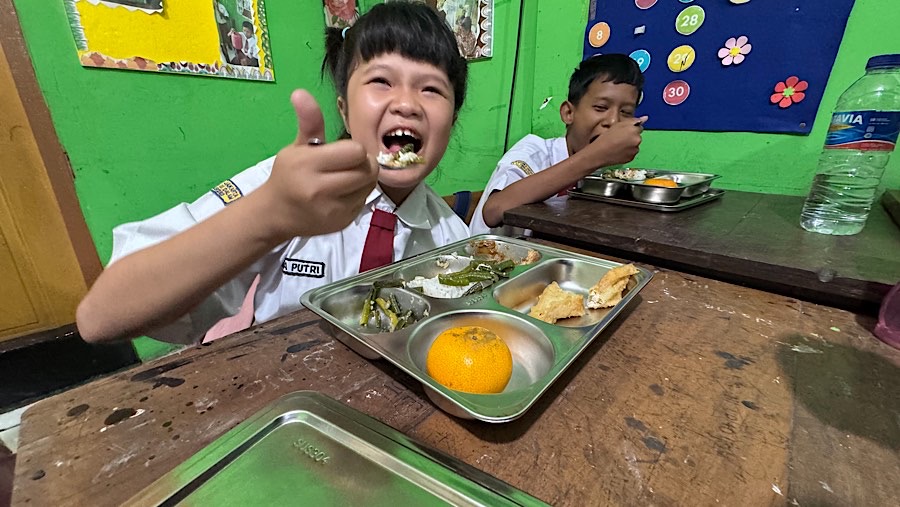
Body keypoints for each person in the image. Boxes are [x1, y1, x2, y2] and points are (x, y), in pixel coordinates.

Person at [76, 1, 470, 345]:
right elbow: (99, 318)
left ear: (450, 122)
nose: (406, 103)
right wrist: (270, 215)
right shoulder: (285, 189)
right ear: (344, 111)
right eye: (382, 81)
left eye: (431, 90)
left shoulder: (452, 238)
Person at [469, 54, 648, 236]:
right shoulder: (533, 153)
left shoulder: (604, 174)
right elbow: (493, 211)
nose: (613, 121)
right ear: (568, 113)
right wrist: (595, 156)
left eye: (626, 112)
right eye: (601, 108)